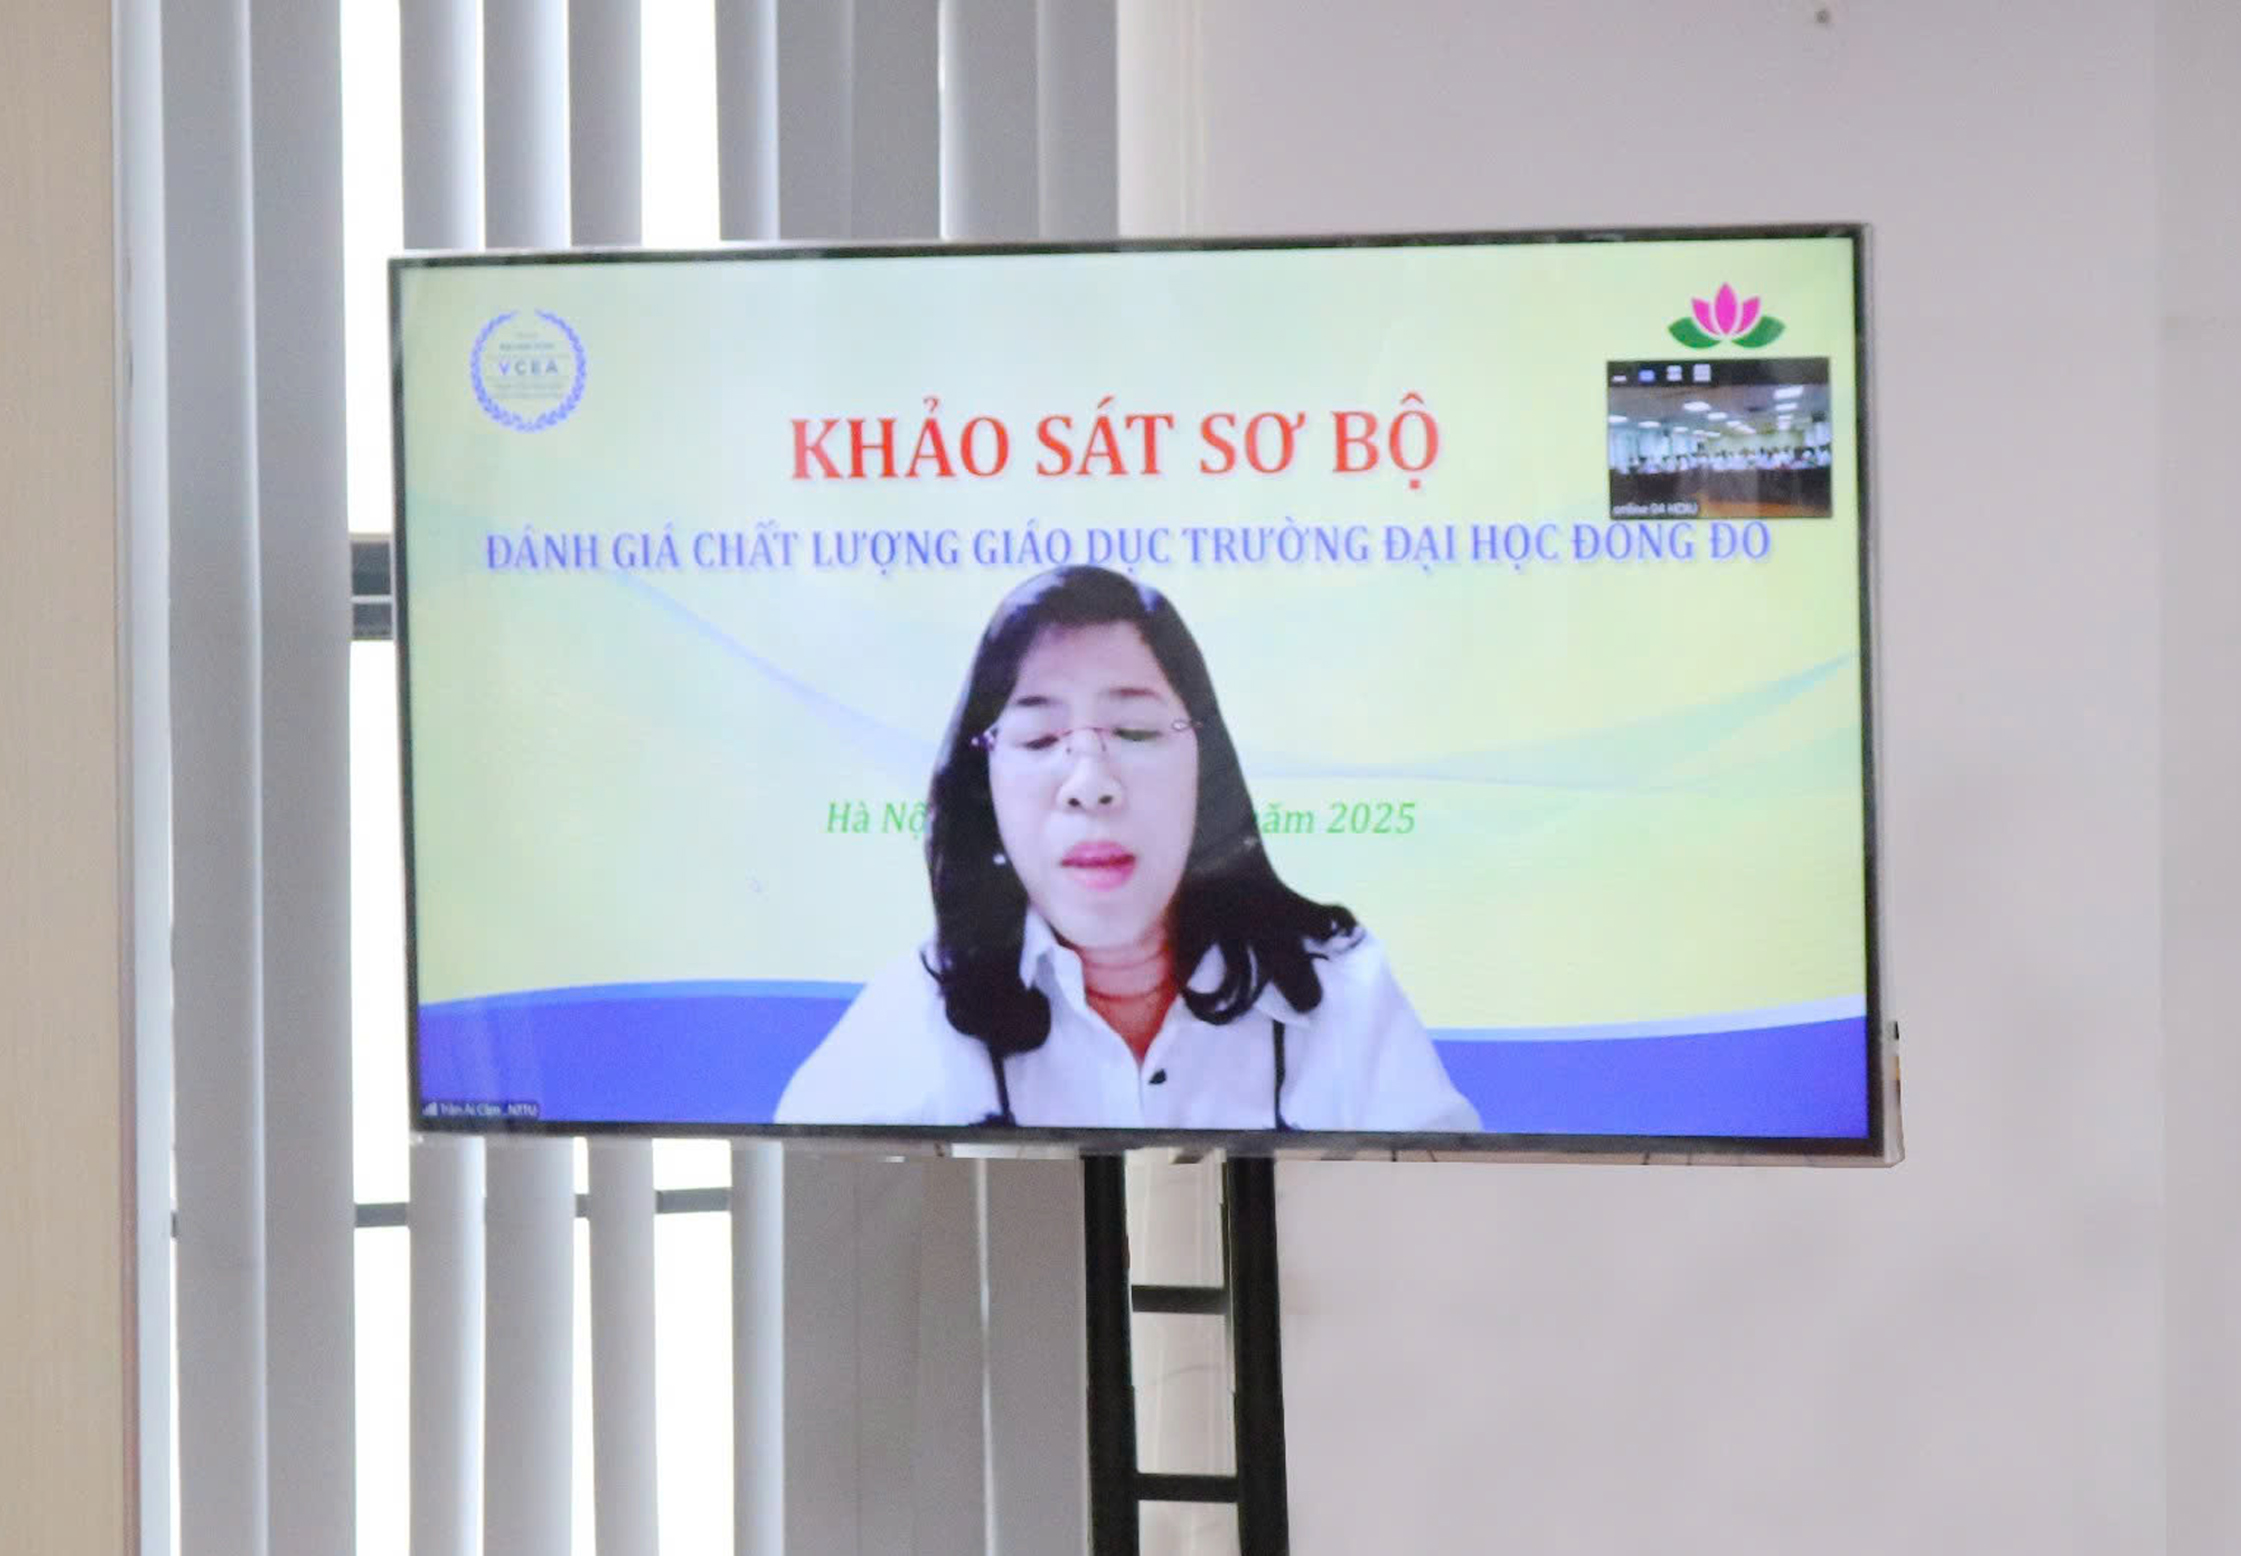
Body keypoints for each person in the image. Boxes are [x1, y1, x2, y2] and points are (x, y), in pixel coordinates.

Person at [774, 565, 1479, 1133]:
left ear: (1205, 765)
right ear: (985, 783)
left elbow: (1450, 1231)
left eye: (1135, 732)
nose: (1090, 785)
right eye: (1039, 739)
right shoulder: (908, 1025)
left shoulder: (1342, 993)